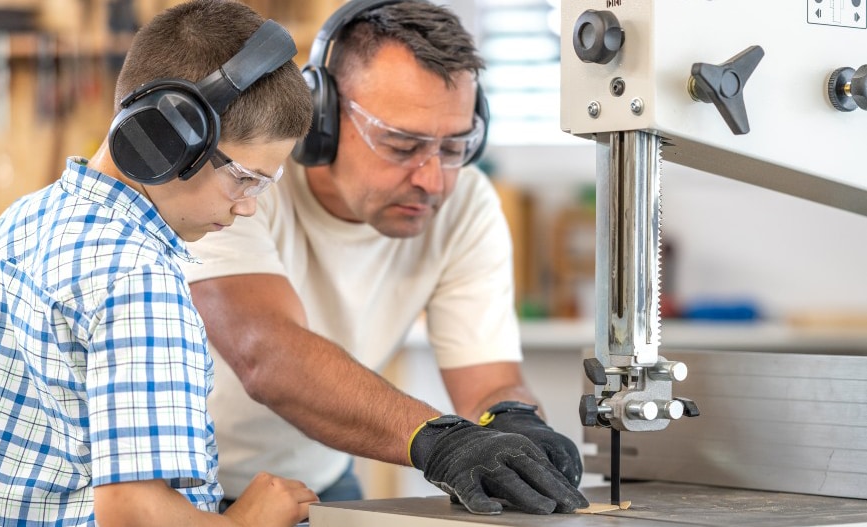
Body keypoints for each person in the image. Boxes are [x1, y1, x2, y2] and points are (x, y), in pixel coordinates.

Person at [184, 0, 589, 516]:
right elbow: (266, 354)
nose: (433, 180)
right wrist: (439, 442)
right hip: (183, 490)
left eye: (453, 147)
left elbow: (488, 381)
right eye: (401, 145)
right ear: (320, 116)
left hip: (320, 481)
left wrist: (513, 421)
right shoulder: (243, 186)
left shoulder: (465, 204)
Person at [0, 1, 319, 525]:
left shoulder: (18, 224)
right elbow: (134, 513)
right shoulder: (139, 278)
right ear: (168, 137)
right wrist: (248, 522)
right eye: (244, 178)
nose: (248, 206)